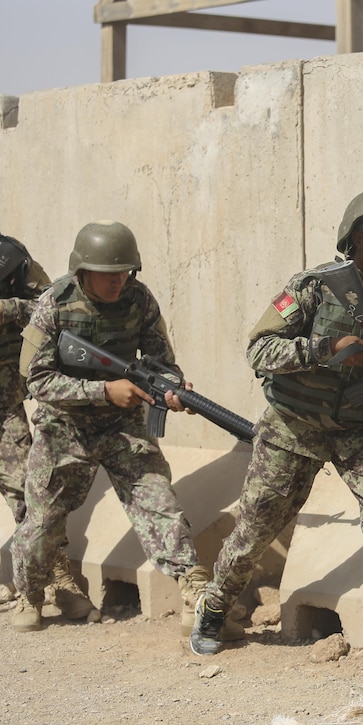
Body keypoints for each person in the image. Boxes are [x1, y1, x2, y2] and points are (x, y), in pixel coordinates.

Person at [189, 188, 363, 687]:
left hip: (362, 433)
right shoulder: (315, 287)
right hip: (293, 427)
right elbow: (259, 350)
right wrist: (325, 348)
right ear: (357, 239)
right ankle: (215, 607)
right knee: (256, 528)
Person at [9, 220, 224, 635]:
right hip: (63, 427)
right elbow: (35, 380)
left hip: (123, 426)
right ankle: (31, 593)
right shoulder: (54, 303)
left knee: (159, 502)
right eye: (109, 275)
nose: (118, 282)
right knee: (41, 520)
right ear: (82, 271)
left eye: (125, 273)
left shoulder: (139, 300)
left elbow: (162, 358)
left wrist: (171, 388)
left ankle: (192, 590)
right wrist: (103, 392)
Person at [0, 233, 96, 619]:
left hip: (6, 398)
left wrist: (5, 309)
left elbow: (50, 306)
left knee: (28, 488)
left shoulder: (10, 257)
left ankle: (52, 580)